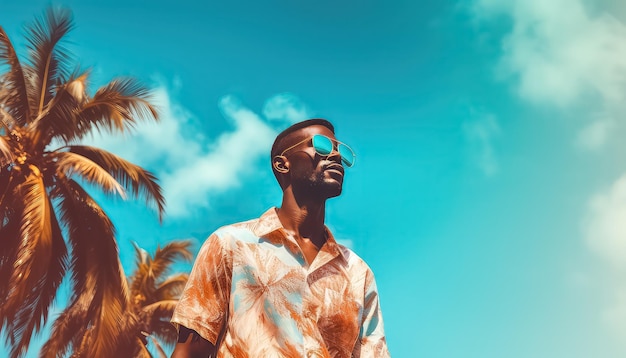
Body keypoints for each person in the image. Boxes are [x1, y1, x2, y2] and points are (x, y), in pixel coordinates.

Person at [171, 119, 390, 357]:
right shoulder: (230, 244)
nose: (335, 156)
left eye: (340, 151)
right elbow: (190, 351)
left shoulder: (358, 273)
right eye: (322, 146)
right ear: (282, 164)